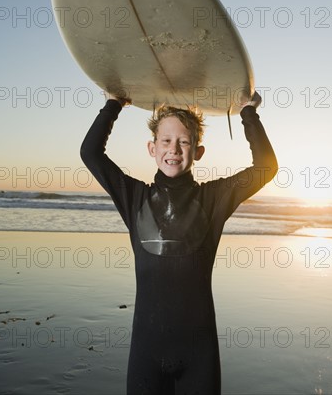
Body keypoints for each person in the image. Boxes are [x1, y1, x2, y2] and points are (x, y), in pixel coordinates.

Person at [80, 91, 277, 395]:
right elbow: (90, 153)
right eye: (166, 141)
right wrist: (114, 104)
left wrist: (247, 112)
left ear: (198, 152)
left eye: (184, 142)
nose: (174, 149)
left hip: (199, 358)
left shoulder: (213, 199)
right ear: (152, 148)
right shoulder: (135, 198)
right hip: (146, 356)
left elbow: (266, 166)